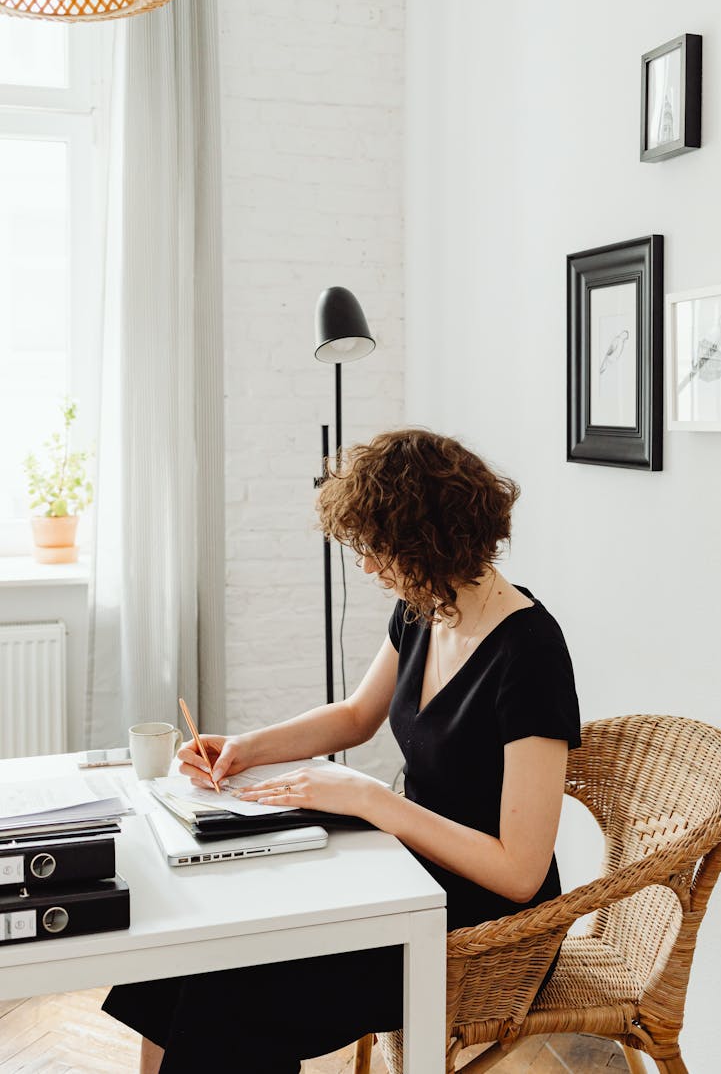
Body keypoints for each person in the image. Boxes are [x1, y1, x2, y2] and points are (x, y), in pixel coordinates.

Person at [103, 428, 581, 1073]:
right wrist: (245, 748)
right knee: (189, 953)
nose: (367, 567)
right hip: (403, 872)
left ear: (429, 540)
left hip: (480, 926)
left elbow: (519, 873)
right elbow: (357, 715)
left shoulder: (531, 654)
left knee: (231, 996)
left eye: (380, 549)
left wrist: (373, 801)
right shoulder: (425, 608)